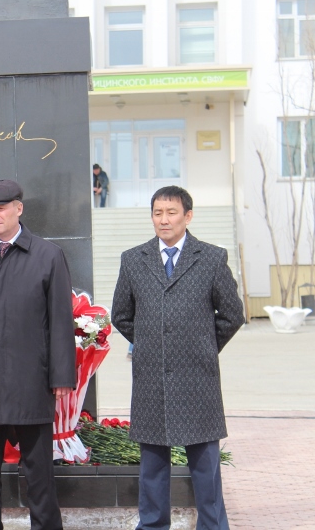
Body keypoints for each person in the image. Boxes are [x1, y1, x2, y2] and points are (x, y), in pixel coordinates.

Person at [111, 186, 244, 530]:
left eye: (171, 212)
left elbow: (231, 314)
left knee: (205, 468)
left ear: (188, 216)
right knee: (153, 468)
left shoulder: (211, 258)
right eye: (158, 213)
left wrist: (201, 345)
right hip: (151, 378)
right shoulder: (134, 259)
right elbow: (122, 315)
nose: (164, 219)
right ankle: (153, 525)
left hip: (198, 377)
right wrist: (154, 345)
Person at [0, 179, 76, 530]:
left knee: (40, 476)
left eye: (1, 208)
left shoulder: (48, 255)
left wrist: (62, 378)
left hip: (31, 384)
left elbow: (60, 321)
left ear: (19, 209)